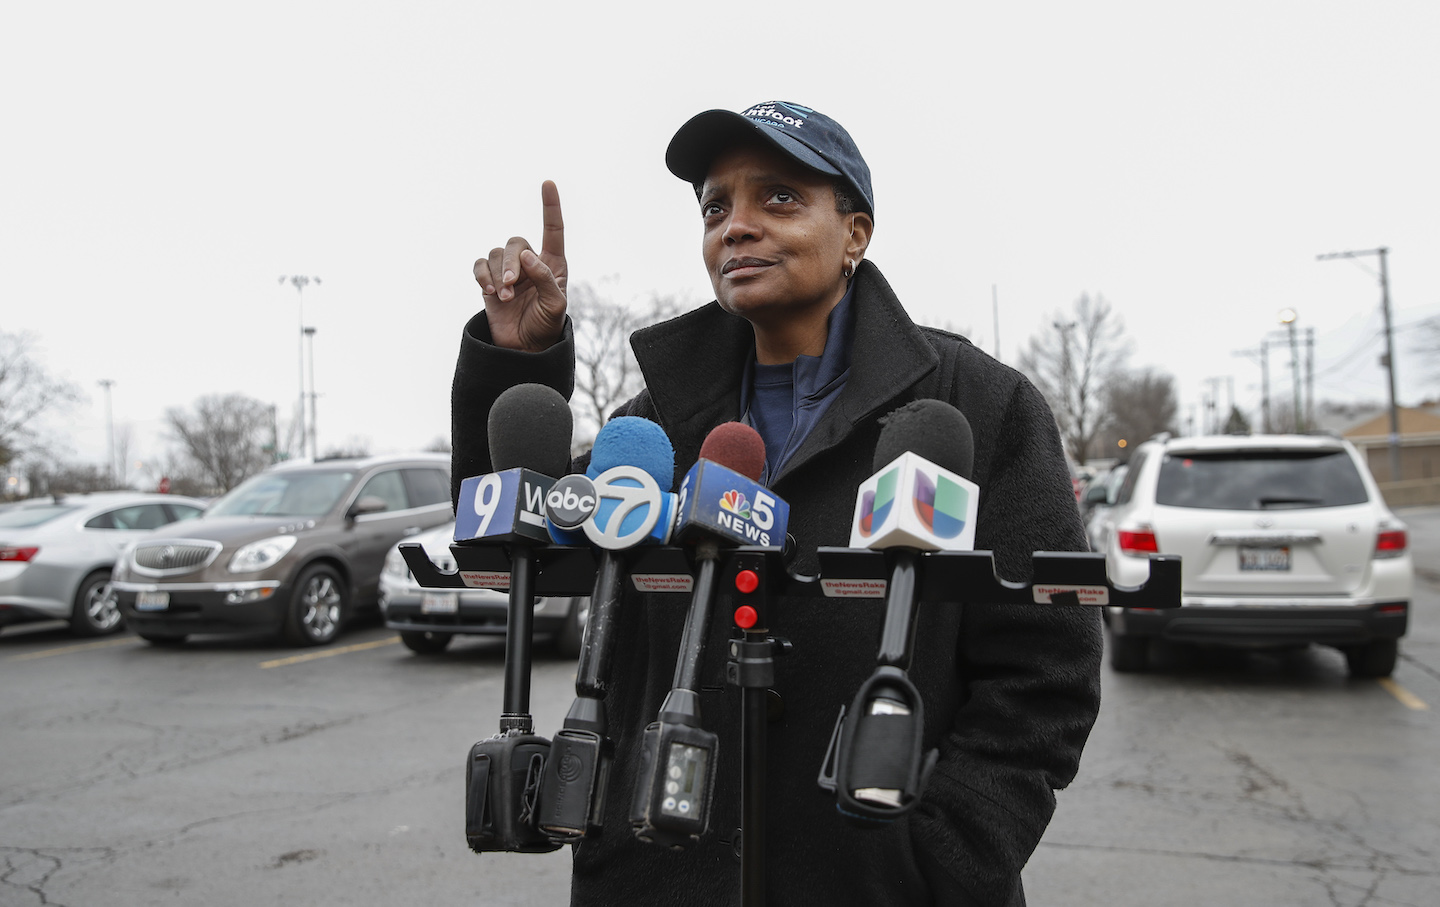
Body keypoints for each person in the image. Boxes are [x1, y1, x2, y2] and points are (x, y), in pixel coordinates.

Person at [453, 100, 1101, 906]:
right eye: (716, 206)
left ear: (856, 231)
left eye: (780, 198)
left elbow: (1047, 672)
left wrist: (941, 852)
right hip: (658, 877)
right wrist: (521, 361)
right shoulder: (647, 430)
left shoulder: (978, 409)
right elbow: (507, 549)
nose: (738, 225)